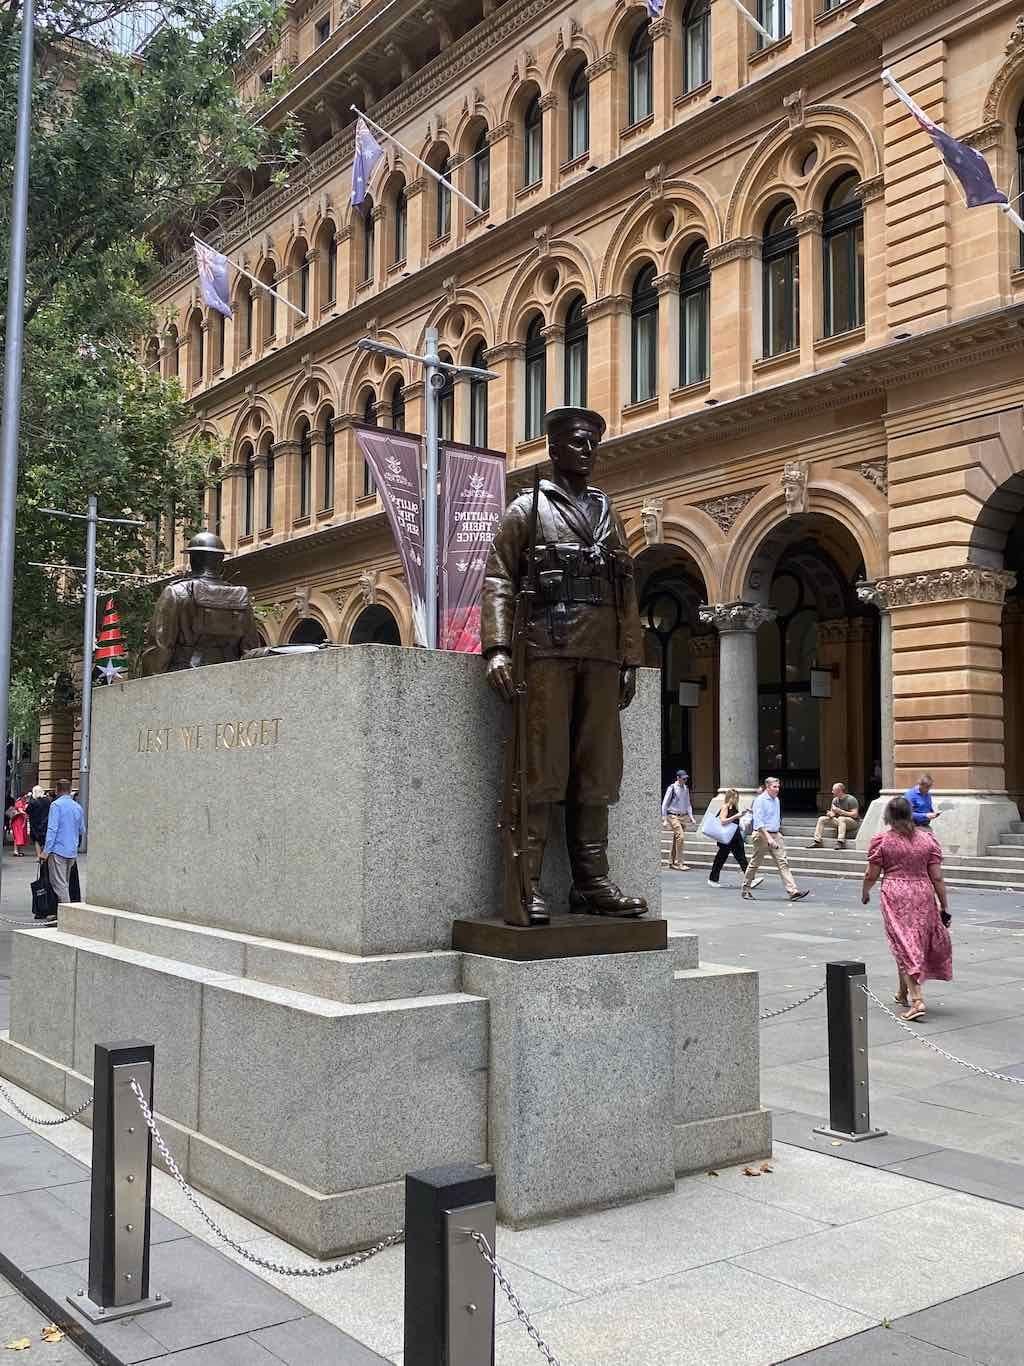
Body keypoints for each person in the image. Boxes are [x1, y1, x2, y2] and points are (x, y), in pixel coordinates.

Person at [482, 406, 647, 923]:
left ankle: (591, 882)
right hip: (546, 650)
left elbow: (626, 586)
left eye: (593, 443)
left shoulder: (606, 509)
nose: (588, 452)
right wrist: (498, 648)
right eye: (578, 443)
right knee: (542, 769)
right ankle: (527, 883)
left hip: (599, 653)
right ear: (553, 450)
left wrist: (628, 657)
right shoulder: (526, 509)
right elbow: (498, 578)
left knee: (595, 771)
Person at [862, 795, 951, 1021]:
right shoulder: (927, 840)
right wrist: (944, 905)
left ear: (888, 816)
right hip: (923, 892)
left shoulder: (882, 840)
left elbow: (871, 874)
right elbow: (937, 877)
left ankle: (917, 999)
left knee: (903, 942)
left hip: (895, 893)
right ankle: (902, 992)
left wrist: (865, 892)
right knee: (910, 942)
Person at [142, 530, 262, 675]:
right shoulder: (240, 597)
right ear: (221, 560)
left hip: (184, 679)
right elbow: (250, 648)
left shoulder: (176, 592)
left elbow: (159, 647)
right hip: (229, 678)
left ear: (192, 559)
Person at [741, 776, 810, 902]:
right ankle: (745, 889)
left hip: (775, 834)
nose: (777, 789)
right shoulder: (760, 801)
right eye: (774, 787)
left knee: (783, 862)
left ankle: (793, 891)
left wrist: (777, 834)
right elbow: (759, 823)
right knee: (755, 863)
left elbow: (775, 818)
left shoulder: (776, 800)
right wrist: (769, 838)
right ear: (767, 787)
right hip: (762, 835)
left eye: (778, 786)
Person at [41, 778, 85, 907]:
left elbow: (52, 829)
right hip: (71, 851)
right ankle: (61, 913)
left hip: (58, 850)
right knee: (64, 882)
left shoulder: (56, 805)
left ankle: (67, 914)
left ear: (57, 790)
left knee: (59, 885)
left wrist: (46, 851)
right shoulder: (78, 807)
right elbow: (82, 829)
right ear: (70, 790)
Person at [707, 788, 763, 888]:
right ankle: (713, 879)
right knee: (722, 859)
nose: (736, 800)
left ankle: (749, 880)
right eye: (734, 798)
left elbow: (734, 819)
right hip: (728, 838)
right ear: (729, 798)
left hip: (734, 837)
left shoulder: (733, 808)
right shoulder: (725, 807)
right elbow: (723, 821)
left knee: (739, 859)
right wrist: (736, 816)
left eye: (737, 798)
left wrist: (742, 814)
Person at [661, 770, 695, 871]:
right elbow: (664, 804)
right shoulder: (672, 788)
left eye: (686, 778)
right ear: (678, 778)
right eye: (683, 778)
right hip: (673, 816)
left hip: (683, 816)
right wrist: (664, 819)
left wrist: (691, 817)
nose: (685, 780)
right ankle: (680, 863)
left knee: (677, 839)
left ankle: (671, 861)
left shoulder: (685, 788)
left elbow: (688, 803)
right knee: (681, 837)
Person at [810, 783, 860, 849]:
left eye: (834, 790)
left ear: (840, 791)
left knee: (841, 818)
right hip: (840, 821)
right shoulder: (835, 800)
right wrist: (830, 814)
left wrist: (840, 811)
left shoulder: (851, 799)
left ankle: (840, 842)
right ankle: (817, 841)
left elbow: (855, 815)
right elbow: (833, 813)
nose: (832, 792)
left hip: (853, 822)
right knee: (822, 819)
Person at [27, 785, 51, 859]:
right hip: (45, 822)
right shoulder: (47, 800)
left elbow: (28, 811)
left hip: (35, 823)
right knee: (45, 838)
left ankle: (38, 855)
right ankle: (44, 853)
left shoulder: (33, 802)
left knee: (37, 840)